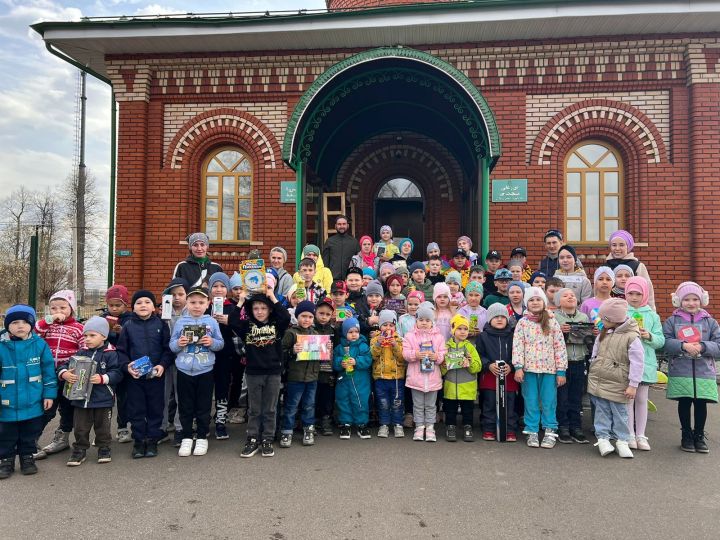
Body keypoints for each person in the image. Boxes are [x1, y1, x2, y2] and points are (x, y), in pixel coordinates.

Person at [229, 286, 290, 458]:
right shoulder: (247, 326)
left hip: (273, 372)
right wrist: (241, 301)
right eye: (256, 308)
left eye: (263, 308)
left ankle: (267, 439)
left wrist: (272, 297)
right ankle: (253, 438)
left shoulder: (276, 325)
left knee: (270, 409)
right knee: (255, 409)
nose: (260, 311)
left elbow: (285, 316)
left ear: (270, 309)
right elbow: (233, 321)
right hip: (253, 373)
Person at [0, 305, 56, 479]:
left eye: (25, 322)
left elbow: (48, 371)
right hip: (6, 403)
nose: (20, 326)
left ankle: (27, 458)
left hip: (33, 401)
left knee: (29, 433)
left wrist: (49, 394)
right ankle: (6, 460)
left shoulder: (39, 344)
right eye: (15, 322)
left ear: (31, 324)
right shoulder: (1, 346)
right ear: (7, 325)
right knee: (6, 435)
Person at [663, 281, 719, 453]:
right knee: (685, 402)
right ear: (679, 301)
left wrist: (703, 346)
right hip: (681, 370)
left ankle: (699, 435)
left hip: (704, 371)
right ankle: (686, 435)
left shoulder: (710, 322)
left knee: (701, 404)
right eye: (686, 299)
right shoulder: (672, 320)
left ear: (702, 300)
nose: (691, 303)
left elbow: (718, 344)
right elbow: (665, 342)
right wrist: (683, 345)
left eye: (695, 299)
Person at [117, 290, 173, 459]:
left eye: (147, 302)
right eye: (139, 302)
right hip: (135, 378)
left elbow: (167, 349)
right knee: (136, 409)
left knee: (155, 408)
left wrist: (163, 365)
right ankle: (139, 441)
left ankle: (153, 440)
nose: (143, 305)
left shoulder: (161, 325)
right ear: (132, 307)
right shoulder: (128, 327)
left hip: (156, 376)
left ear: (154, 307)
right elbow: (121, 351)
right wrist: (127, 366)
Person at [587, 298, 644, 458]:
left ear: (613, 319)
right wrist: (594, 365)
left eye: (604, 318)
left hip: (619, 383)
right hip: (600, 381)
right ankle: (603, 439)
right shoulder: (603, 333)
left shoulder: (632, 337)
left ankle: (622, 440)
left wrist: (633, 384)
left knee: (620, 413)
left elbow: (637, 363)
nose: (601, 321)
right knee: (601, 411)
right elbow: (595, 353)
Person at [61, 317, 122, 466]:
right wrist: (64, 373)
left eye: (92, 335)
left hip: (103, 398)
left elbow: (118, 373)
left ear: (104, 336)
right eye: (85, 336)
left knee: (103, 427)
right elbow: (65, 364)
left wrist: (104, 378)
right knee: (80, 427)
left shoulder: (111, 353)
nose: (87, 339)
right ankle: (80, 449)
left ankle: (104, 448)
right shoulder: (81, 352)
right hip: (81, 398)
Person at [512, 287, 567, 449]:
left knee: (549, 401)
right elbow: (517, 345)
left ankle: (550, 430)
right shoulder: (522, 323)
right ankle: (532, 430)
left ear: (543, 302)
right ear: (526, 304)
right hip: (528, 370)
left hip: (549, 370)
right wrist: (518, 367)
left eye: (538, 299)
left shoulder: (552, 321)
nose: (535, 302)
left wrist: (561, 371)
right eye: (531, 300)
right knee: (530, 400)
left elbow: (559, 346)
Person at [34, 289, 84, 460]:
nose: (58, 312)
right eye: (53, 308)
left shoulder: (78, 328)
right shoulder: (47, 327)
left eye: (63, 308)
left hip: (68, 375)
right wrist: (49, 321)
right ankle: (31, 440)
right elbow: (35, 331)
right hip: (48, 375)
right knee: (46, 408)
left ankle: (62, 438)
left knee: (67, 408)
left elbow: (84, 350)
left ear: (72, 308)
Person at [624, 277, 664, 451]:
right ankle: (629, 434)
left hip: (645, 363)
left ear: (645, 294)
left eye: (638, 294)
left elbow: (661, 340)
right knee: (628, 399)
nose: (634, 297)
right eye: (630, 293)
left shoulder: (652, 315)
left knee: (641, 399)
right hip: (626, 362)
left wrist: (649, 336)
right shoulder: (622, 312)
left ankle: (641, 434)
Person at [402, 303, 447, 442]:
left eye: (427, 320)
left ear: (432, 322)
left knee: (430, 405)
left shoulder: (439, 337)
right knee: (418, 405)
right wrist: (416, 354)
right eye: (421, 320)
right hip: (416, 378)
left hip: (433, 379)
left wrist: (437, 357)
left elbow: (443, 354)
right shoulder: (410, 336)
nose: (424, 323)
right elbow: (405, 353)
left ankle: (430, 427)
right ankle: (419, 427)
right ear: (416, 320)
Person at [279, 301, 321, 448]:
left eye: (310, 316)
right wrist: (292, 351)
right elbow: (281, 353)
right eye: (303, 316)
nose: (306, 319)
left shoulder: (316, 334)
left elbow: (322, 357)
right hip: (295, 377)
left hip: (312, 377)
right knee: (291, 405)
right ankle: (287, 430)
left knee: (309, 405)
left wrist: (327, 349)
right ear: (297, 316)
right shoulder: (291, 333)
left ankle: (308, 428)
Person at [476, 303, 519, 442]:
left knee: (510, 405)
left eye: (502, 317)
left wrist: (511, 366)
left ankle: (510, 429)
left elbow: (518, 354)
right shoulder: (483, 336)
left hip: (509, 377)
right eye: (496, 317)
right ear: (489, 319)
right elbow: (479, 355)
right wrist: (488, 365)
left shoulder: (513, 336)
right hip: (489, 376)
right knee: (489, 404)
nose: (499, 319)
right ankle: (489, 429)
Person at [553, 288, 591, 444]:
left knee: (576, 396)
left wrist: (591, 332)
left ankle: (576, 427)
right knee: (562, 397)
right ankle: (563, 426)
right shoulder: (554, 317)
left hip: (579, 360)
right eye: (565, 295)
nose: (570, 297)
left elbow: (589, 340)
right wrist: (559, 331)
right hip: (562, 363)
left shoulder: (583, 316)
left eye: (573, 295)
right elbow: (548, 336)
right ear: (557, 301)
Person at [206, 273, 238, 441]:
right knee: (205, 386)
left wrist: (229, 321)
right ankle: (203, 420)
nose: (219, 290)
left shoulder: (232, 307)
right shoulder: (204, 306)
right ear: (210, 289)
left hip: (225, 354)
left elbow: (240, 329)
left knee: (223, 386)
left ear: (228, 289)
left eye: (222, 286)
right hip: (205, 354)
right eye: (215, 286)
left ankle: (220, 420)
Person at [441, 314, 481, 442]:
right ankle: (450, 427)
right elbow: (441, 370)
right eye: (459, 328)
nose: (463, 331)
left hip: (468, 387)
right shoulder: (446, 347)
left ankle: (468, 428)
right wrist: (444, 365)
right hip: (450, 386)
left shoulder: (470, 347)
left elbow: (478, 367)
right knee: (450, 409)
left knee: (468, 410)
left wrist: (469, 364)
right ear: (453, 330)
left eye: (465, 329)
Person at [102, 284, 134, 443]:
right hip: (105, 363)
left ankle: (123, 427)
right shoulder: (102, 318)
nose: (114, 308)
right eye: (111, 305)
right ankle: (101, 431)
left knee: (124, 397)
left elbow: (133, 340)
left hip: (122, 362)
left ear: (125, 305)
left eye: (118, 305)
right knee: (104, 397)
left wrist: (123, 332)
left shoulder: (131, 319)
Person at [333, 318, 372, 439]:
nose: (354, 334)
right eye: (350, 332)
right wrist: (341, 363)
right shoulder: (340, 347)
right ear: (345, 333)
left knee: (361, 401)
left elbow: (368, 360)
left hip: (361, 381)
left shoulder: (363, 346)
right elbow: (334, 361)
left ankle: (362, 424)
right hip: (344, 380)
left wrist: (357, 361)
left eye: (356, 331)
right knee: (343, 400)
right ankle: (345, 424)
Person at [161, 277, 189, 446]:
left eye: (181, 294)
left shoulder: (191, 313)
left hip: (183, 358)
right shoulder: (163, 313)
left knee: (181, 396)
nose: (177, 298)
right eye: (173, 295)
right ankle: (161, 428)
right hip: (166, 359)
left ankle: (180, 428)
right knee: (163, 395)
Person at [370, 310, 406, 438]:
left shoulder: (399, 339)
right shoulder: (375, 339)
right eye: (385, 325)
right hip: (380, 377)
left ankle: (398, 424)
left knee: (397, 402)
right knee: (383, 403)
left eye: (391, 325)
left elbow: (402, 357)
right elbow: (372, 356)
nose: (388, 328)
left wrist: (395, 345)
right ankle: (384, 424)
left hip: (396, 377)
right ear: (380, 326)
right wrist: (379, 343)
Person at [605, 230, 655, 310]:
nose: (617, 248)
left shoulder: (637, 266)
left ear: (628, 246)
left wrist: (651, 311)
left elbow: (647, 290)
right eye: (614, 245)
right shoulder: (605, 267)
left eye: (621, 245)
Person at [314, 298, 338, 436]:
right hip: (313, 370)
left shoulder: (334, 331)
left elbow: (339, 348)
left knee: (327, 397)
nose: (324, 317)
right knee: (314, 397)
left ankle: (325, 420)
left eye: (327, 314)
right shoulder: (311, 329)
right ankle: (313, 420)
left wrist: (332, 348)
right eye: (321, 313)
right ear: (316, 312)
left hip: (328, 370)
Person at [322, 215, 360, 281]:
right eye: (339, 224)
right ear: (335, 226)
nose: (342, 226)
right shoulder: (329, 241)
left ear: (348, 226)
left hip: (350, 279)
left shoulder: (354, 242)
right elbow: (325, 262)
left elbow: (358, 261)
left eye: (344, 224)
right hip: (332, 279)